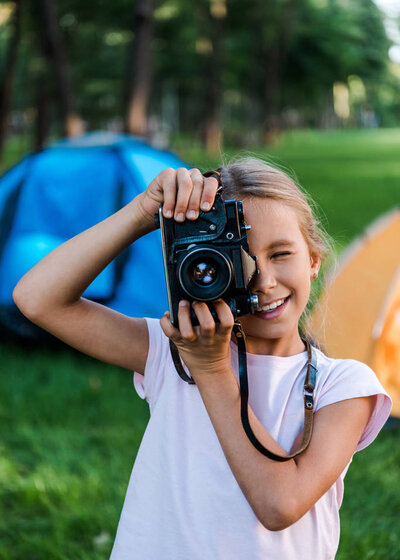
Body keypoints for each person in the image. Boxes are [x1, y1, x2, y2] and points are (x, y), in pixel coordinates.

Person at [13, 157, 392, 559]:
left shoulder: (345, 387)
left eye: (281, 254)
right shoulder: (172, 352)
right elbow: (37, 299)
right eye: (240, 260)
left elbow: (279, 504)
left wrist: (212, 369)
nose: (263, 280)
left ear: (314, 260)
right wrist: (142, 212)